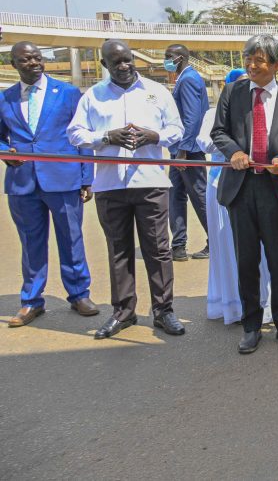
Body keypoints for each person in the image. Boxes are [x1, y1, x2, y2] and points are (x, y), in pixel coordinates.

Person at [68, 39, 186, 339]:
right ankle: (123, 312)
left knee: (158, 249)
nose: (123, 66)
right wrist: (106, 137)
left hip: (150, 183)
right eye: (116, 62)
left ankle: (164, 311)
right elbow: (74, 134)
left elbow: (177, 130)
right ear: (105, 65)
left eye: (127, 60)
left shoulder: (156, 91)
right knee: (119, 250)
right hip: (110, 185)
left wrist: (154, 136)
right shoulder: (93, 96)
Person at [211, 34, 278, 355]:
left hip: (274, 189)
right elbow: (219, 132)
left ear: (276, 65)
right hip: (241, 188)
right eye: (247, 59)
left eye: (259, 60)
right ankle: (251, 326)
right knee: (246, 260)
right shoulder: (233, 92)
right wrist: (235, 152)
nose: (251, 65)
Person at [2, 41, 98, 327]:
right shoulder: (4, 98)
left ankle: (79, 294)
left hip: (63, 179)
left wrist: (86, 177)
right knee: (31, 243)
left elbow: (82, 135)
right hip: (22, 183)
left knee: (71, 239)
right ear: (14, 65)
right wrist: (5, 152)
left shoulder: (67, 92)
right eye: (26, 60)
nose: (33, 63)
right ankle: (31, 301)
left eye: (37, 57)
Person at [197, 69, 272, 326]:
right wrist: (234, 145)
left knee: (259, 248)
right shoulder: (213, 113)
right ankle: (234, 304)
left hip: (258, 186)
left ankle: (263, 301)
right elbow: (203, 142)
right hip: (223, 186)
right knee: (228, 246)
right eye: (239, 84)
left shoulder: (262, 108)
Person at [165, 44, 210, 261]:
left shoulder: (189, 79)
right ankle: (179, 244)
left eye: (169, 57)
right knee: (175, 195)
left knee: (199, 196)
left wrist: (183, 150)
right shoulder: (183, 78)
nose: (165, 61)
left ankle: (215, 241)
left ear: (181, 58)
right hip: (179, 149)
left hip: (188, 150)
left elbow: (192, 118)